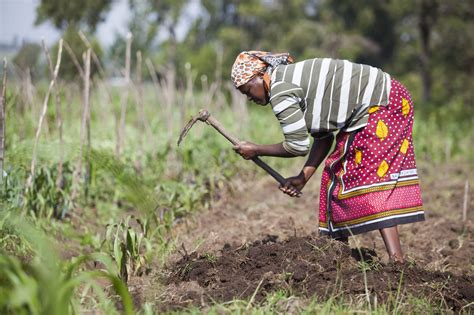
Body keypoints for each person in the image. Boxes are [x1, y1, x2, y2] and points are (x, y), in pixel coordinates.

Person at [231, 51, 424, 263]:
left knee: (369, 180)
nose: (250, 98)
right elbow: (323, 139)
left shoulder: (280, 89)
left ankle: (397, 261)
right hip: (384, 99)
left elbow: (297, 145)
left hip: (382, 103)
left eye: (248, 90)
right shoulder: (287, 80)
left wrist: (256, 149)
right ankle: (339, 257)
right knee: (335, 178)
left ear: (261, 75)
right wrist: (303, 177)